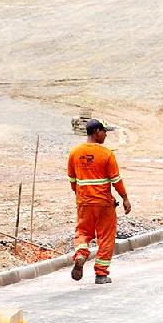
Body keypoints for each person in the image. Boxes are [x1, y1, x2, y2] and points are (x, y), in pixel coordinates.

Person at [67, 118, 131, 284]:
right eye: (104, 132)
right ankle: (101, 274)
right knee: (106, 237)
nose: (105, 135)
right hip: (104, 204)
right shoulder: (106, 154)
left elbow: (72, 180)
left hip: (84, 202)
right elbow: (116, 180)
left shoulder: (74, 153)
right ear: (96, 132)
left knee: (83, 232)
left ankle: (81, 254)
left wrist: (81, 196)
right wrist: (125, 198)